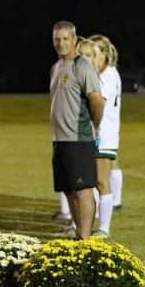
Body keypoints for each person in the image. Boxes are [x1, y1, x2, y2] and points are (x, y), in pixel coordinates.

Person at [49, 22, 105, 240]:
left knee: (83, 190)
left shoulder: (81, 66)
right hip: (60, 139)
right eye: (57, 39)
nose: (61, 43)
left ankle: (85, 238)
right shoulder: (56, 68)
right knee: (69, 189)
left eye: (65, 39)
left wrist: (94, 124)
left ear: (75, 40)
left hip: (78, 138)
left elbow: (97, 99)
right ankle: (78, 234)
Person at [89, 34, 122, 238]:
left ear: (104, 55)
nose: (90, 59)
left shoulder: (108, 76)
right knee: (93, 181)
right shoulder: (104, 74)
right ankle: (89, 223)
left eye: (93, 54)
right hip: (100, 133)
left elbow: (98, 102)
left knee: (101, 181)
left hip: (103, 135)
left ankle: (103, 228)